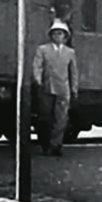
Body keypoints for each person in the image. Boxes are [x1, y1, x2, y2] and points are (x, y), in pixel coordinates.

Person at [33, 19, 79, 156]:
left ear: (65, 37)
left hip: (63, 89)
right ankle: (46, 144)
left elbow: (74, 72)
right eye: (55, 34)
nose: (57, 36)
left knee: (61, 119)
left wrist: (74, 88)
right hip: (46, 88)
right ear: (51, 36)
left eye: (60, 34)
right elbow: (37, 66)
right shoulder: (43, 50)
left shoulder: (70, 53)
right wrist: (38, 80)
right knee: (45, 118)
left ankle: (56, 145)